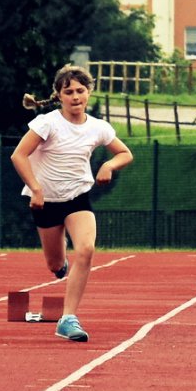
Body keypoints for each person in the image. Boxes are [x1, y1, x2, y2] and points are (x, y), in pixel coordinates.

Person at [11, 65, 133, 342]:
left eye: (80, 91)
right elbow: (18, 156)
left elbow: (125, 153)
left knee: (87, 249)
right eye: (69, 92)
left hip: (77, 197)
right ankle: (60, 264)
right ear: (59, 95)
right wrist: (36, 188)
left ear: (89, 92)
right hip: (45, 202)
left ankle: (68, 319)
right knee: (54, 264)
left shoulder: (98, 128)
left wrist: (110, 165)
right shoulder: (47, 123)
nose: (75, 97)